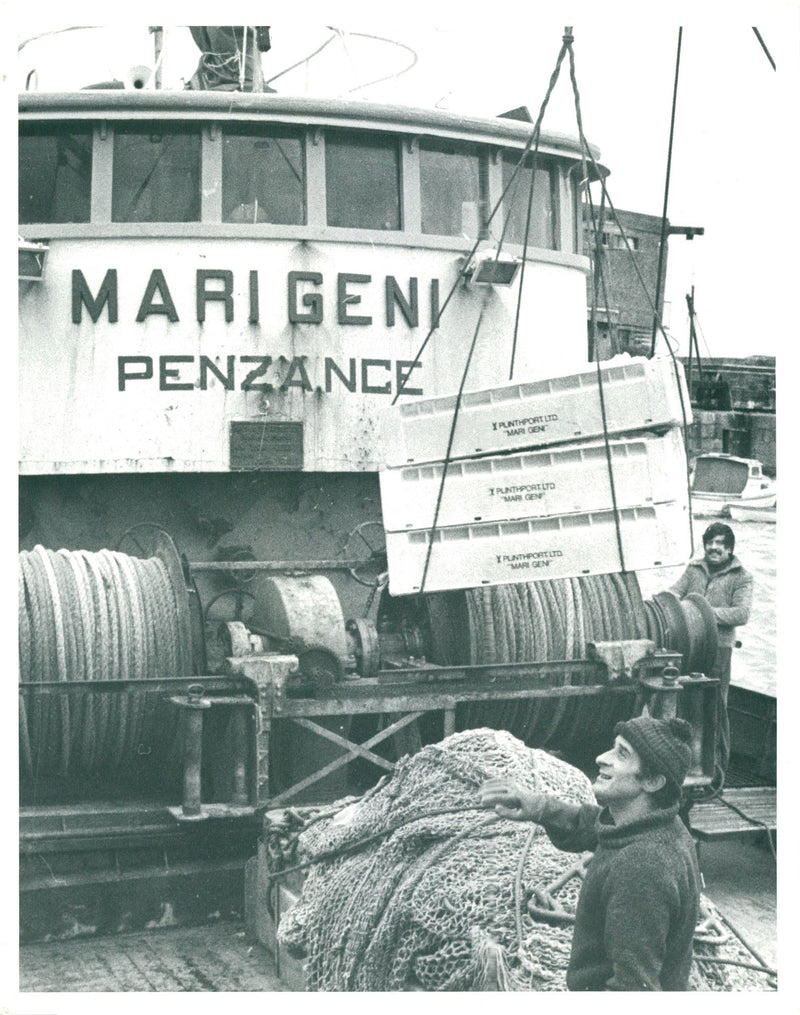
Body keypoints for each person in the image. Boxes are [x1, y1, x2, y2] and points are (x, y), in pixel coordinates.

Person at [478, 715, 700, 991]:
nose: (601, 758)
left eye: (622, 754)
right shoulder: (659, 824)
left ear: (653, 781)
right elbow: (595, 826)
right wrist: (539, 808)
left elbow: (634, 987)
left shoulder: (642, 867)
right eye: (612, 747)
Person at [669, 521, 753, 775]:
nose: (714, 548)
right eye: (710, 543)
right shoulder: (694, 569)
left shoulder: (742, 577)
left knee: (714, 707)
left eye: (720, 544)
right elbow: (674, 592)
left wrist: (701, 613)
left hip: (719, 649)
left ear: (729, 549)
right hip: (689, 647)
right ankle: (684, 762)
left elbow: (741, 613)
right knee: (681, 701)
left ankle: (716, 767)